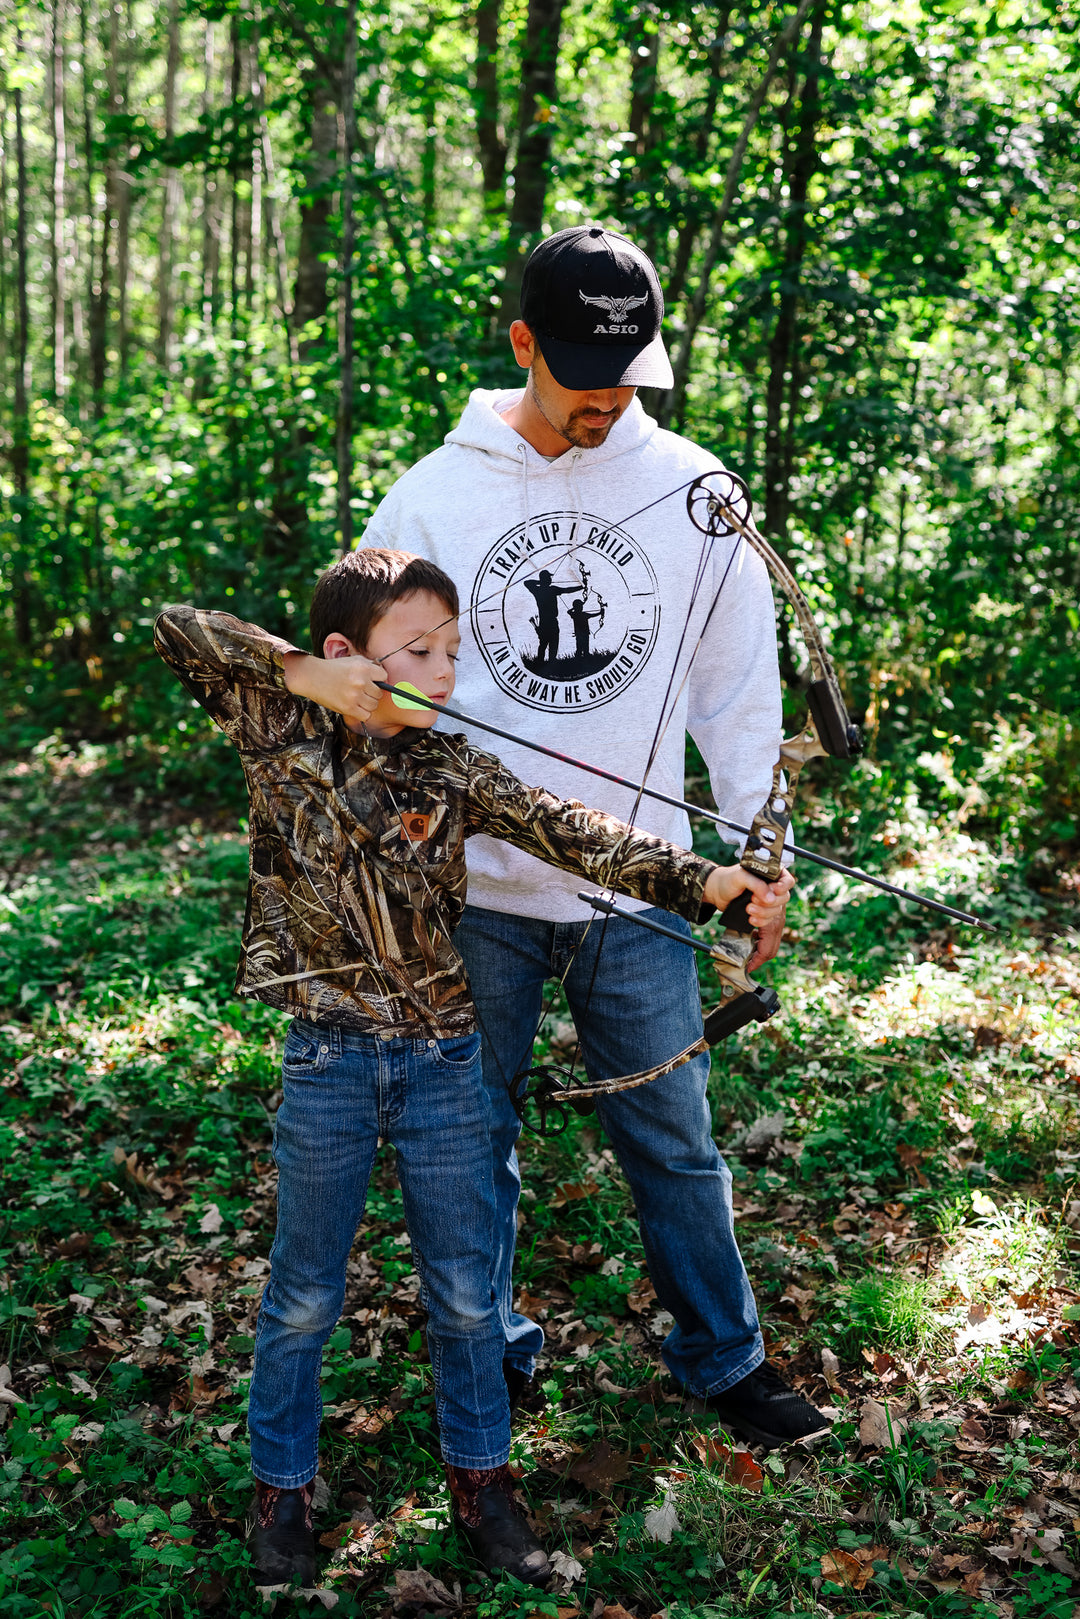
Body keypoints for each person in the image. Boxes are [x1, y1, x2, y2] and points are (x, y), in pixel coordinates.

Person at [154, 548, 793, 1594]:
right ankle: (281, 1489)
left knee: (462, 1294)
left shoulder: (451, 765)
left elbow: (575, 831)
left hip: (448, 1059)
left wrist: (708, 877)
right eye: (418, 651)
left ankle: (485, 1485)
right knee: (305, 1294)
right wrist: (299, 675)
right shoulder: (279, 731)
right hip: (328, 1060)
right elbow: (176, 623)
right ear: (345, 653)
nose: (445, 671)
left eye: (452, 650)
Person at [359, 226, 830, 1450]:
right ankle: (492, 1347)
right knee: (478, 1137)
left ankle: (724, 1357)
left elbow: (741, 691)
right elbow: (370, 685)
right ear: (523, 344)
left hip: (646, 885)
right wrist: (390, 787)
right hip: (478, 889)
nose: (606, 400)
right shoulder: (430, 495)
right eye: (579, 373)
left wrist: (756, 859)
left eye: (625, 371)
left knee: (675, 1135)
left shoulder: (694, 485)